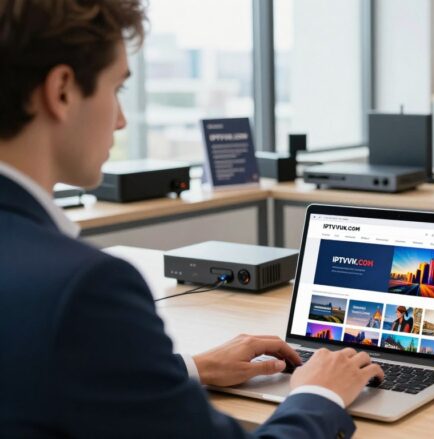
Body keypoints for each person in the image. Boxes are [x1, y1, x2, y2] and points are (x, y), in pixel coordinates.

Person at [0, 1, 383, 437]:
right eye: (117, 89)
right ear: (63, 90)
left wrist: (192, 368)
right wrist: (319, 395)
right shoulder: (86, 288)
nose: (122, 120)